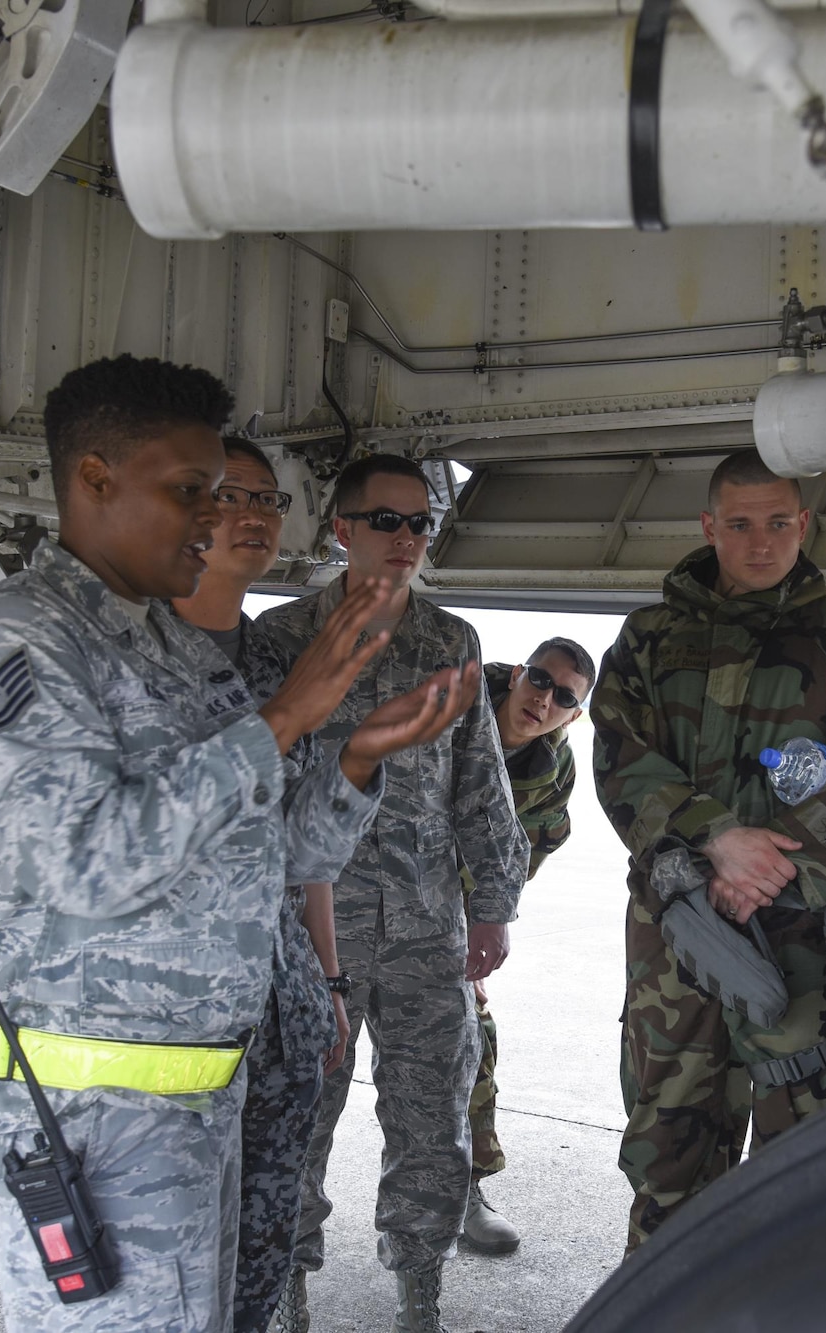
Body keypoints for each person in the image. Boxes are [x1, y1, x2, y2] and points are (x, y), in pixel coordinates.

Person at [0, 356, 480, 1333]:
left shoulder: (174, 650)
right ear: (95, 479)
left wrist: (354, 755)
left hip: (206, 1097)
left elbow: (285, 853)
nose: (213, 520)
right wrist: (285, 715)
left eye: (221, 495)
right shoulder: (17, 644)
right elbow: (82, 863)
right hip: (93, 1124)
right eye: (192, 494)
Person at [256, 453, 528, 1333]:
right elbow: (260, 792)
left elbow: (479, 777)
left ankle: (419, 1290)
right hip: (310, 930)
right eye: (387, 521)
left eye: (421, 525)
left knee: (430, 1121)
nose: (407, 539)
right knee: (298, 1116)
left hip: (423, 928)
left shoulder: (449, 642)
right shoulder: (282, 638)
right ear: (341, 530)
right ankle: (285, 1286)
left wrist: (494, 901)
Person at [592, 449, 826, 1251]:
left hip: (799, 937)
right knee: (668, 1140)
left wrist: (774, 878)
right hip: (676, 932)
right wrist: (717, 837)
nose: (760, 541)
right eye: (740, 524)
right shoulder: (650, 636)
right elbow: (619, 754)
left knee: (804, 1153)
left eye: (780, 522)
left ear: (804, 524)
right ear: (709, 525)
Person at [166, 437, 348, 1333]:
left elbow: (301, 850)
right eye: (233, 495)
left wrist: (326, 974)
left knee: (261, 1263)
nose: (256, 517)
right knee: (167, 1274)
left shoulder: (282, 658)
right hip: (174, 1025)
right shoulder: (133, 653)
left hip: (281, 1009)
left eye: (271, 502)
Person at [457, 637, 596, 1256]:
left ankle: (465, 1191)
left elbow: (529, 850)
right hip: (368, 899)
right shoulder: (453, 703)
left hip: (451, 922)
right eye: (540, 679)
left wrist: (479, 923)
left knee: (471, 1044)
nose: (544, 698)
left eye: (565, 696)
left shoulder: (553, 769)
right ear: (517, 673)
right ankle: (289, 1199)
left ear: (575, 714)